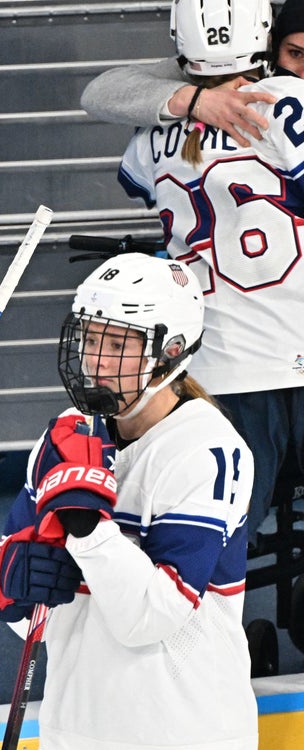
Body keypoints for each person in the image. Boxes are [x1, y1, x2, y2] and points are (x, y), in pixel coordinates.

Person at [0, 253, 256, 750]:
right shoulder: (63, 436)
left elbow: (151, 617)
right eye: (89, 339)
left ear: (170, 351)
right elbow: (34, 619)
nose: (95, 361)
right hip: (73, 744)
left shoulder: (208, 449)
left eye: (118, 344)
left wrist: (86, 526)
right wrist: (9, 584)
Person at [112, 0, 304, 546]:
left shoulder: (155, 128)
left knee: (218, 538)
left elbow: (139, 181)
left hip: (219, 364)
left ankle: (208, 630)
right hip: (295, 343)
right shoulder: (288, 101)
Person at [79, 0, 304, 144]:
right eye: (296, 54)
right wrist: (197, 99)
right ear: (271, 46)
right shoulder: (233, 69)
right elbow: (99, 92)